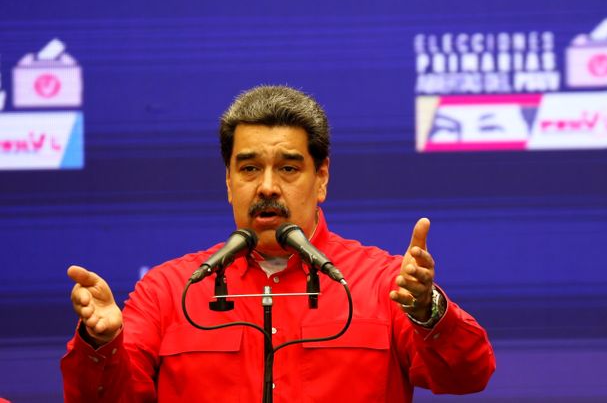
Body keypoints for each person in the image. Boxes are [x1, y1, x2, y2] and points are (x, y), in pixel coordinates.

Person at [61, 85, 495, 402]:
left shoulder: (382, 281)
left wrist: (427, 311)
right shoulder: (169, 290)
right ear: (228, 181)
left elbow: (467, 375)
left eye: (288, 169)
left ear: (321, 178)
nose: (267, 186)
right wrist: (102, 343)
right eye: (249, 169)